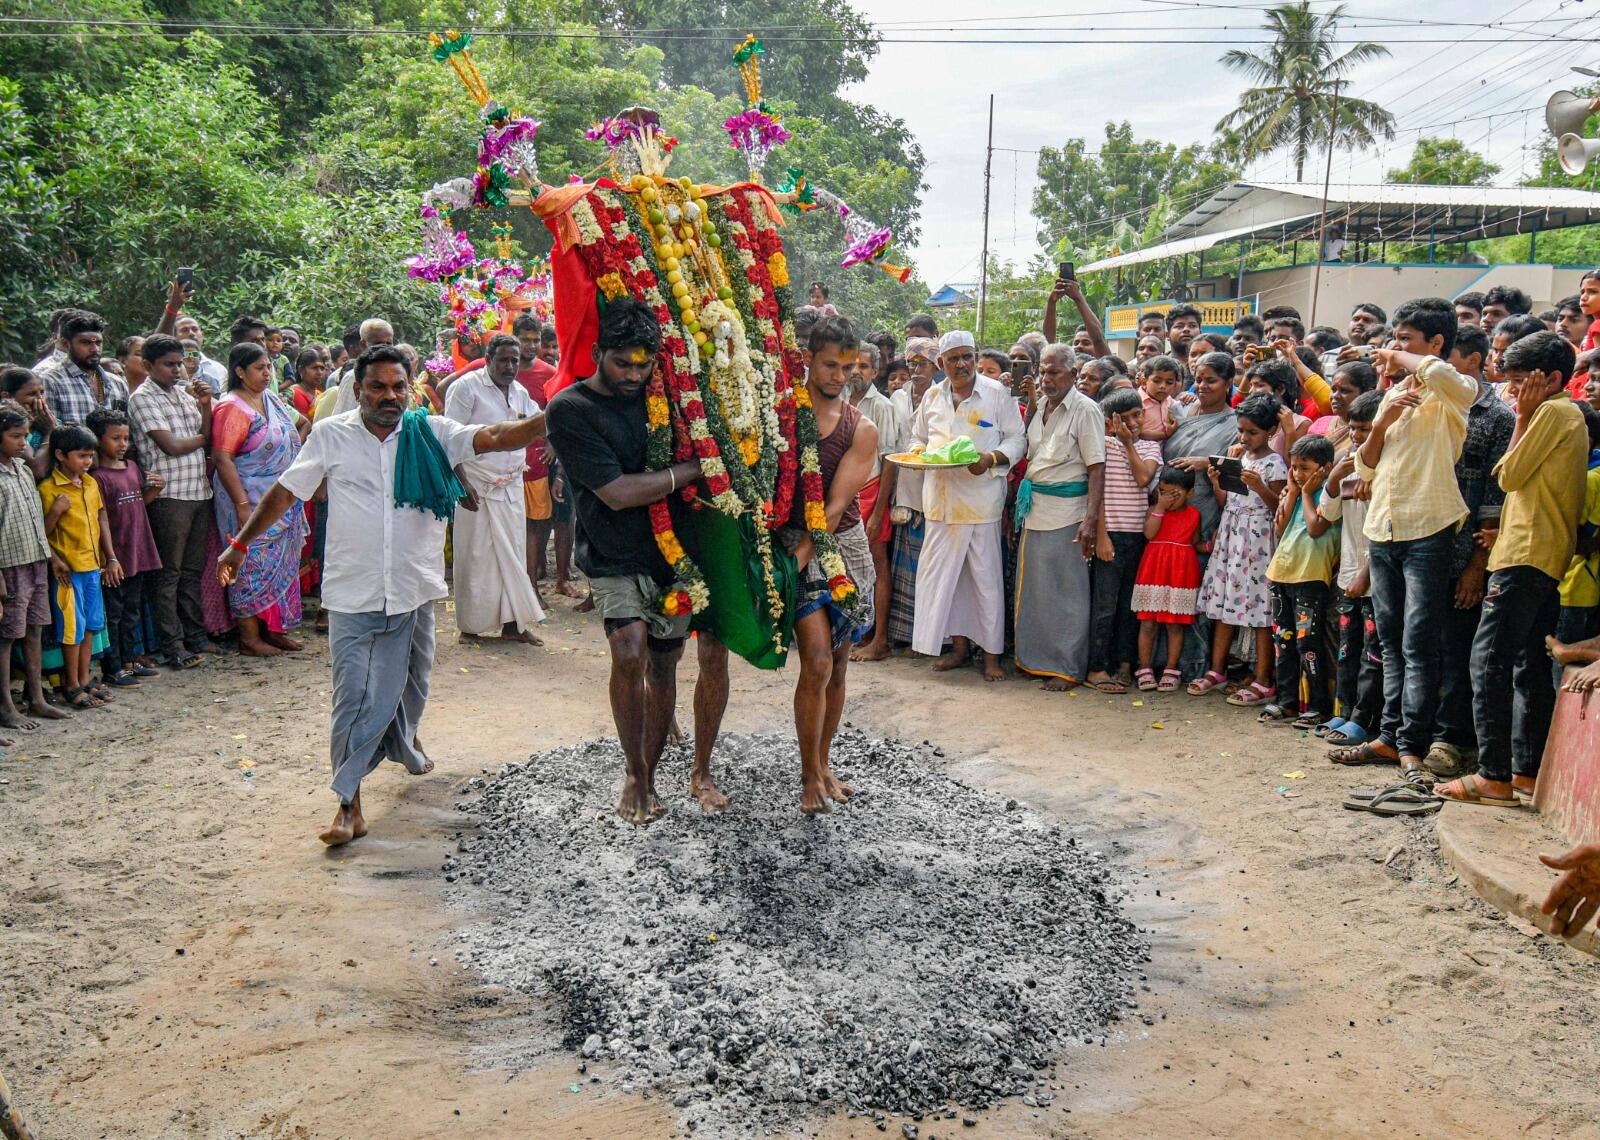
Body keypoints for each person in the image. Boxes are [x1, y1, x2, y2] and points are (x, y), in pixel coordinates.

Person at [219, 344, 551, 845]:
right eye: (378, 386)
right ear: (358, 389)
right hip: (353, 591)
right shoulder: (331, 435)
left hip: (414, 586)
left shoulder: (431, 433)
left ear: (410, 388)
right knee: (352, 695)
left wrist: (562, 410)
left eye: (399, 386)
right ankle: (348, 805)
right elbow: (287, 491)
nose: (390, 396)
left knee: (411, 683)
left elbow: (501, 435)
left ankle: (404, 739)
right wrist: (241, 544)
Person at [545, 299, 706, 825]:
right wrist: (690, 470)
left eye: (644, 365)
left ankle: (651, 770)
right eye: (623, 364)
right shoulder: (570, 410)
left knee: (664, 662)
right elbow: (615, 492)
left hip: (675, 557)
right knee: (629, 651)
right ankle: (635, 774)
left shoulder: (668, 399)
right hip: (613, 552)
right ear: (597, 354)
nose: (635, 375)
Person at [1436, 332, 1589, 808]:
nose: (1513, 391)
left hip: (1524, 553)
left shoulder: (1553, 411)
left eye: (1521, 382)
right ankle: (1522, 772)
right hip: (1539, 553)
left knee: (1489, 662)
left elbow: (1508, 476)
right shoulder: (1564, 414)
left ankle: (1494, 775)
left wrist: (1522, 415)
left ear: (1553, 380)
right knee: (1524, 665)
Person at [1329, 300, 1477, 775]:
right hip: (1384, 531)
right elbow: (1366, 466)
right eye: (1394, 338)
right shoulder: (1392, 397)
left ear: (1435, 343)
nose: (1394, 348)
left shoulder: (1453, 393)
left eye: (1406, 338)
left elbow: (1444, 376)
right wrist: (1384, 416)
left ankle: (1411, 740)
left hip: (1428, 529)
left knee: (1417, 643)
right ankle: (1391, 737)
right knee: (1390, 642)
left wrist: (1400, 360)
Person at [787, 316, 878, 812]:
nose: (841, 376)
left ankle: (822, 765)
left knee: (838, 664)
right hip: (793, 545)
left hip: (843, 547)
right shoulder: (782, 414)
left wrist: (800, 557)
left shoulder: (861, 429)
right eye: (830, 365)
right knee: (817, 661)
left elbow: (836, 506)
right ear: (807, 359)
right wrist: (787, 560)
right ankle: (807, 778)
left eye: (850, 367)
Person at [1424, 322, 1515, 777]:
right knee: (1419, 644)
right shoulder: (1424, 403)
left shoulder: (1497, 418)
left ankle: (1449, 739)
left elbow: (1495, 499)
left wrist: (1477, 565)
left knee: (1457, 646)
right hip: (1421, 542)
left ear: (1472, 361)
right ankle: (1411, 731)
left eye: (1448, 360)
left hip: (1463, 551)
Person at [909, 331, 1026, 681]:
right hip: (941, 503)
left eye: (967, 357)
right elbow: (917, 439)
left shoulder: (996, 393)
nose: (961, 364)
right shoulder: (931, 396)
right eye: (953, 358)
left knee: (984, 582)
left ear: (975, 357)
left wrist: (991, 458)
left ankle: (991, 657)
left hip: (979, 503)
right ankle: (959, 650)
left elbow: (1018, 438)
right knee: (949, 582)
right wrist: (918, 454)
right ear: (940, 363)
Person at [1012, 344, 1105, 691]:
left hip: (1069, 511)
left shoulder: (1085, 409)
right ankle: (1035, 659)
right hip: (1035, 508)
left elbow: (1097, 466)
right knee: (1037, 589)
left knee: (1068, 592)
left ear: (1073, 371)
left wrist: (1091, 518)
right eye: (1043, 372)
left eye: (1054, 372)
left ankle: (1066, 668)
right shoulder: (1041, 408)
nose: (1047, 379)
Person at [444, 333, 546, 645]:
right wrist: (461, 484)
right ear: (489, 359)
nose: (510, 366)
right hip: (475, 487)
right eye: (503, 360)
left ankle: (514, 626)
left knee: (513, 553)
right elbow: (448, 439)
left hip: (511, 485)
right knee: (475, 557)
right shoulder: (466, 387)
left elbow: (536, 424)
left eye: (515, 361)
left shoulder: (519, 392)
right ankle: (471, 628)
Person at [211, 343, 307, 657]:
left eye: (268, 367)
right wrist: (241, 504)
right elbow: (223, 458)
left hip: (280, 495)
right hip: (247, 497)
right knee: (248, 563)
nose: (267, 374)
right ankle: (249, 637)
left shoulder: (271, 399)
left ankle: (273, 629)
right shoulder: (231, 407)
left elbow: (301, 424)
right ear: (239, 371)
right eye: (259, 368)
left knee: (281, 562)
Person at [1190, 394, 1287, 702]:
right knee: (1224, 603)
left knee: (1259, 610)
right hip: (1232, 538)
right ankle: (1217, 670)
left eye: (1252, 432)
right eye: (1241, 431)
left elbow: (1278, 509)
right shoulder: (1239, 458)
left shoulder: (1276, 464)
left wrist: (1260, 486)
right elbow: (1226, 502)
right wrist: (1217, 481)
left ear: (1270, 431)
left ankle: (1262, 679)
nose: (1244, 438)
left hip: (1258, 541)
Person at [127, 333, 216, 669]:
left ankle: (196, 638)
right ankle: (172, 646)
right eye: (169, 364)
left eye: (179, 363)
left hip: (197, 491)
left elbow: (202, 439)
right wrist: (203, 436)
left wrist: (205, 409)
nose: (177, 370)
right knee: (168, 575)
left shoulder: (182, 393)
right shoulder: (142, 398)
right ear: (148, 365)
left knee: (191, 571)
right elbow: (171, 446)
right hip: (169, 495)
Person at [1163, 352, 1242, 679]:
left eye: (1211, 380)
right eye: (1199, 378)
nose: (1203, 385)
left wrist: (1205, 462)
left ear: (1228, 384)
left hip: (1205, 516)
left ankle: (1193, 664)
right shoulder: (1179, 412)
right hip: (1165, 513)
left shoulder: (1236, 423)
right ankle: (1161, 660)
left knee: (1194, 590)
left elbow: (1239, 476)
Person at [1259, 434, 1339, 728]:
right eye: (1294, 467)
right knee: (1283, 640)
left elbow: (1316, 529)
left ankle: (1318, 706)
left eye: (1304, 468)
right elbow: (1280, 530)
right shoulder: (1294, 492)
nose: (1297, 473)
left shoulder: (1330, 494)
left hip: (1311, 574)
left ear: (1325, 468)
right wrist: (1293, 493)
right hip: (1282, 572)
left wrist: (1305, 494)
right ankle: (1286, 701)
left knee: (1309, 644)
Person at [1317, 391, 1383, 747]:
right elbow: (1328, 516)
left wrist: (1366, 573)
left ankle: (1364, 717)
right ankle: (1344, 710)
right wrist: (1332, 479)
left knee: (1373, 654)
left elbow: (1387, 529)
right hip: (1349, 576)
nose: (1357, 436)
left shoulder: (1390, 469)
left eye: (1365, 429)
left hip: (1375, 579)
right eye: (1354, 429)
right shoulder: (1349, 465)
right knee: (1347, 648)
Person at [1087, 389, 1161, 692]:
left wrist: (1129, 444)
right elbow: (1098, 493)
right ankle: (1096, 667)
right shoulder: (1102, 446)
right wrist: (1101, 536)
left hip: (1139, 536)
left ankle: (1125, 664)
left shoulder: (1151, 448)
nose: (1133, 422)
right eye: (1124, 418)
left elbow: (1144, 478)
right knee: (1104, 604)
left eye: (1137, 415)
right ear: (1109, 423)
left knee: (1130, 605)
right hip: (1111, 534)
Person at [0, 406, 69, 731]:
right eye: (15, 436)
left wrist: (51, 555)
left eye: (24, 436)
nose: (21, 442)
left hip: (35, 560)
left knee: (35, 629)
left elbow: (33, 522)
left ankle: (36, 697)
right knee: (7, 636)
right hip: (9, 565)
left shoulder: (23, 470)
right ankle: (7, 706)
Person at [40, 423, 119, 709]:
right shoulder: (49, 489)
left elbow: (102, 520)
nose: (87, 462)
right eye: (82, 456)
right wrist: (55, 512)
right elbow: (41, 533)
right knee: (71, 629)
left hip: (92, 567)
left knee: (90, 626)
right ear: (60, 455)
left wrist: (109, 557)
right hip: (67, 573)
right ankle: (70, 684)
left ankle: (85, 678)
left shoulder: (90, 483)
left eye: (90, 456)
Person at [86, 409, 162, 688]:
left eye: (126, 438)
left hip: (137, 549)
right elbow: (101, 518)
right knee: (115, 613)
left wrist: (153, 491)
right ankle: (113, 667)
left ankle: (129, 661)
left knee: (132, 609)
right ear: (97, 440)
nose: (122, 444)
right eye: (115, 438)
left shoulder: (131, 468)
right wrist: (110, 558)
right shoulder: (97, 477)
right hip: (115, 556)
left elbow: (138, 505)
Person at [848, 342, 903, 664]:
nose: (856, 371)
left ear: (876, 371)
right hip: (845, 491)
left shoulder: (882, 406)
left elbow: (890, 460)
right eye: (852, 364)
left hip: (871, 490)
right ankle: (861, 632)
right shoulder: (839, 397)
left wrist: (879, 510)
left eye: (864, 366)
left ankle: (880, 639)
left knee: (877, 564)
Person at [885, 337, 937, 649]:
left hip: (934, 491)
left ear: (935, 366)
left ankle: (934, 638)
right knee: (905, 568)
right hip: (903, 490)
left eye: (924, 363)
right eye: (912, 363)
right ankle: (907, 636)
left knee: (931, 569)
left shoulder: (941, 396)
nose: (917, 369)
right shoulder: (897, 399)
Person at [1131, 466, 1202, 692]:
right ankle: (1144, 668)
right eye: (1163, 492)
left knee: (1174, 624)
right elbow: (1150, 534)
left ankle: (1172, 669)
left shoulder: (1194, 514)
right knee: (1148, 622)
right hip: (1154, 570)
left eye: (1175, 494)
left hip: (1180, 572)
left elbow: (1195, 542)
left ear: (1190, 493)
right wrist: (1160, 507)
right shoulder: (1153, 510)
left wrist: (1211, 545)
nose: (1168, 498)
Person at [1552, 404, 1600, 688]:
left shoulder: (1590, 479)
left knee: (1563, 676)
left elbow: (1582, 541)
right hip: (1579, 584)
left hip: (1573, 586)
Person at [36, 310, 128, 425]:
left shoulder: (117, 383)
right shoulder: (50, 381)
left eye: (98, 343)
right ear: (65, 344)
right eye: (85, 343)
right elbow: (51, 433)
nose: (95, 349)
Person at [1041, 276, 1110, 357]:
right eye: (1076, 343)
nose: (1079, 346)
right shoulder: (1065, 367)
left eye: (1086, 343)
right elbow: (1048, 342)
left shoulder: (1104, 366)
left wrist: (1077, 296)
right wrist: (1052, 301)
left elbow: (1098, 339)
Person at [1137, 354, 1184, 442]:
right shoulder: (1136, 402)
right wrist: (1165, 435)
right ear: (1144, 381)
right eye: (1157, 381)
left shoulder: (1171, 403)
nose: (1163, 386)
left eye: (1169, 382)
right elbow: (1136, 432)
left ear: (1175, 385)